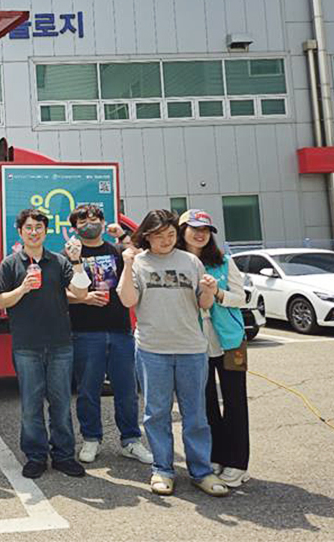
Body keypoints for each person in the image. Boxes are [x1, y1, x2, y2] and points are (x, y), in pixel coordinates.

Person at [117, 209, 229, 498]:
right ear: (147, 236)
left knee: (195, 414)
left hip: (192, 348)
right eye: (159, 236)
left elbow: (203, 304)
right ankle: (163, 469)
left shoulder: (191, 261)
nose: (166, 240)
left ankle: (201, 471)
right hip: (153, 349)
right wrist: (127, 266)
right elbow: (128, 299)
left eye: (170, 234)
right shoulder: (139, 262)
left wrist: (209, 289)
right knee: (156, 414)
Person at [0, 208, 90, 480]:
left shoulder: (59, 262)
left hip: (60, 343)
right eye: (29, 228)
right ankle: (36, 456)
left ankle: (63, 455)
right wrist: (23, 288)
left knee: (60, 403)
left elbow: (81, 292)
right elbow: (1, 301)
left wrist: (77, 261)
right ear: (20, 231)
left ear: (45, 232)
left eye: (39, 227)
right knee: (30, 404)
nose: (34, 232)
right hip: (26, 344)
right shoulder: (10, 264)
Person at [66, 204, 153, 466]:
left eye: (95, 218)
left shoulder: (117, 251)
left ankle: (131, 441)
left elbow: (143, 251)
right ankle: (91, 439)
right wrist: (82, 299)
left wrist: (124, 233)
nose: (90, 222)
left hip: (120, 331)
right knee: (88, 390)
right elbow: (61, 294)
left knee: (126, 390)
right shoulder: (69, 255)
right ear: (74, 227)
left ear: (104, 223)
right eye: (83, 220)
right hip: (84, 333)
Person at [177, 209, 250, 488]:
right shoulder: (177, 263)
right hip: (194, 343)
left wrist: (217, 294)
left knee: (235, 402)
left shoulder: (224, 262)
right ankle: (217, 455)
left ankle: (237, 463)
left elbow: (240, 298)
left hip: (230, 342)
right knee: (205, 403)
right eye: (194, 228)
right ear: (182, 231)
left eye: (205, 230)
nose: (200, 234)